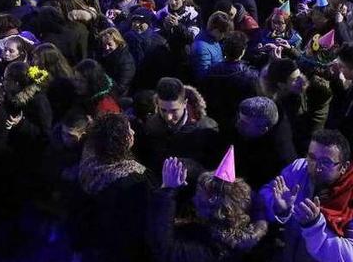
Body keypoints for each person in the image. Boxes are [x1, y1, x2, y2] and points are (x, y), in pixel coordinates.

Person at [260, 129, 353, 262]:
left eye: (326, 162)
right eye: (312, 157)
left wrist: (314, 227)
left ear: (344, 167)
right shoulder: (299, 169)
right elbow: (265, 194)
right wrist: (279, 208)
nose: (316, 167)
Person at [149, 151, 268, 262]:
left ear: (215, 207)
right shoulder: (233, 207)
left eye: (199, 197)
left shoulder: (214, 249)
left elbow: (165, 250)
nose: (194, 198)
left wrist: (167, 192)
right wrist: (179, 166)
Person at [75, 112, 151, 262]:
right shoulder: (135, 177)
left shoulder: (89, 161)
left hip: (94, 238)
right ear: (122, 141)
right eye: (129, 130)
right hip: (119, 245)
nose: (133, 132)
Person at [135, 77, 219, 173]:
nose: (168, 117)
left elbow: (212, 169)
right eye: (163, 110)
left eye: (174, 110)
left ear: (185, 103)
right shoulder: (150, 126)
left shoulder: (207, 128)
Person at [233, 96, 297, 189]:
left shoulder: (279, 157)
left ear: (263, 129)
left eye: (245, 123)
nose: (237, 124)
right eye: (239, 118)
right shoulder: (264, 120)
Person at [191, 11, 233, 78]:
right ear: (215, 29)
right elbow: (203, 75)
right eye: (223, 33)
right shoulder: (201, 48)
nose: (224, 36)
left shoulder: (213, 39)